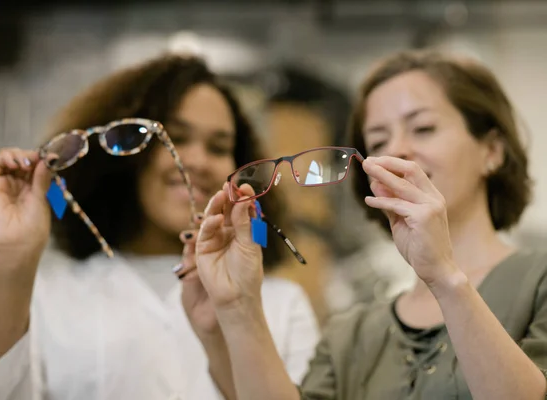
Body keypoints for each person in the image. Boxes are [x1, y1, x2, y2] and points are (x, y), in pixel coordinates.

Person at [0, 54, 320, 400]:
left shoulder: (280, 304)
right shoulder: (53, 299)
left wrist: (240, 316)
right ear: (128, 152)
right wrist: (11, 258)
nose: (197, 160)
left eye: (219, 146)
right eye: (176, 138)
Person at [190, 49, 547, 399]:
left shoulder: (537, 283)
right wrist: (238, 306)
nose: (397, 150)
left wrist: (444, 276)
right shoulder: (351, 335)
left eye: (423, 128)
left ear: (492, 151)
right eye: (378, 141)